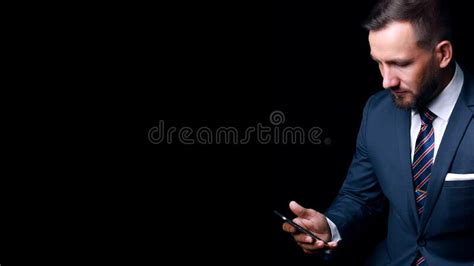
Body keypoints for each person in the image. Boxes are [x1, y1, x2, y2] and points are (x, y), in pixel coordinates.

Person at [281, 0, 474, 265]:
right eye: (379, 63)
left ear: (442, 54)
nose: (387, 81)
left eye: (400, 64)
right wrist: (331, 226)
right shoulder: (378, 111)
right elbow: (360, 196)